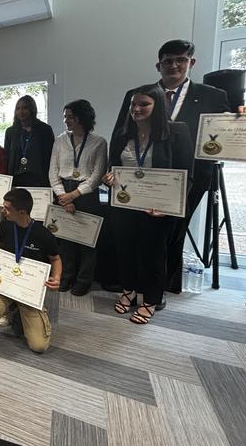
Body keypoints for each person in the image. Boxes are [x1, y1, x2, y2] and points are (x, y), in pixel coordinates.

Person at [110, 39, 246, 294]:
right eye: (168, 61)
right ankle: (138, 286)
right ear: (159, 65)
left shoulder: (213, 95)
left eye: (181, 60)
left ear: (191, 62)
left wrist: (243, 114)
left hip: (190, 177)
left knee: (173, 233)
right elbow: (120, 133)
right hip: (140, 179)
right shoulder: (137, 95)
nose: (174, 65)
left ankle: (162, 287)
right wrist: (113, 169)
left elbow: (228, 127)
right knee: (139, 234)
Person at [104, 84, 194, 324]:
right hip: (125, 205)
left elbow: (187, 175)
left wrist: (168, 206)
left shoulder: (177, 132)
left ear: (158, 106)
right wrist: (109, 178)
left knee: (153, 254)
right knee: (125, 251)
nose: (136, 108)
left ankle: (150, 300)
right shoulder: (123, 134)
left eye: (144, 104)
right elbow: (112, 168)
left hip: (158, 209)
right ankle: (129, 291)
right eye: (134, 104)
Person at [0, 188, 62, 353]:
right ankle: (10, 306)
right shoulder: (4, 226)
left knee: (39, 346)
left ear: (22, 212)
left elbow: (55, 259)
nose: (2, 211)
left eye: (7, 208)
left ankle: (23, 309)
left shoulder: (43, 234)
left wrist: (57, 277)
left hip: (28, 288)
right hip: (6, 282)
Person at [48, 100, 107, 296]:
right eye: (65, 117)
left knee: (86, 241)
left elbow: (98, 175)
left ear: (83, 117)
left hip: (87, 194)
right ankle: (67, 277)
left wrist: (74, 195)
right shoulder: (60, 140)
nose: (66, 121)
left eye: (70, 117)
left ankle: (83, 280)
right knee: (64, 239)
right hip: (63, 191)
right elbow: (53, 172)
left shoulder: (99, 142)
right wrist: (62, 196)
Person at [4, 95, 55, 188]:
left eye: (25, 108)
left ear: (32, 109)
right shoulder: (11, 131)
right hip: (16, 179)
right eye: (18, 108)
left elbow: (50, 155)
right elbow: (7, 156)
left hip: (39, 179)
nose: (21, 111)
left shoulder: (45, 129)